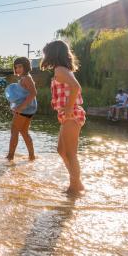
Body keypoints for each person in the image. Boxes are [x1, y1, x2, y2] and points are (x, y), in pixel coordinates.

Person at [41, 40, 85, 194]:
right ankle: (76, 182)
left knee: (70, 153)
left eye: (46, 54)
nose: (45, 57)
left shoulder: (60, 70)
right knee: (61, 150)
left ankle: (74, 187)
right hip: (67, 114)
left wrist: (67, 109)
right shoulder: (62, 70)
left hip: (71, 114)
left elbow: (75, 87)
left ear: (54, 54)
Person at [5, 57, 37, 161]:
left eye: (20, 66)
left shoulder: (26, 78)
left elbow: (33, 93)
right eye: (16, 67)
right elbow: (24, 94)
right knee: (24, 131)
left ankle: (10, 156)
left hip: (25, 109)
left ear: (26, 66)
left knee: (14, 130)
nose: (17, 69)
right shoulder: (25, 78)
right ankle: (32, 156)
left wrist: (20, 107)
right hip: (29, 109)